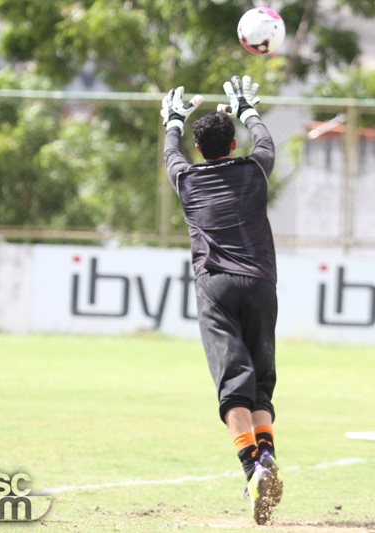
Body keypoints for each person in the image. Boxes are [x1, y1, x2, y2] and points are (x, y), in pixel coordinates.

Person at [161, 75, 282, 524]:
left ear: (199, 149)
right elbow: (265, 142)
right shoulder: (254, 170)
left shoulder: (188, 179)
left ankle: (253, 469)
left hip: (216, 287)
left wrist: (173, 122)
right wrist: (248, 110)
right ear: (233, 144)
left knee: (233, 385)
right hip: (260, 284)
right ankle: (266, 457)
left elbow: (171, 154)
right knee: (260, 385)